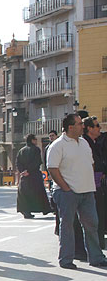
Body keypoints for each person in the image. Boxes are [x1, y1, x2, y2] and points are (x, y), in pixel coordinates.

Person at [47, 113, 107, 269]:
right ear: (71, 127)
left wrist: (88, 182)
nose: (83, 126)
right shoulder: (58, 145)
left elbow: (91, 164)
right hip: (68, 193)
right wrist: (66, 188)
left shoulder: (84, 143)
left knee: (92, 225)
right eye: (80, 124)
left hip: (87, 191)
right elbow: (52, 169)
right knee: (67, 226)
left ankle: (96, 257)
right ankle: (66, 259)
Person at [82, 115, 106, 250]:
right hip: (91, 186)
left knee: (99, 216)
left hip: (97, 184)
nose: (99, 128)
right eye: (96, 126)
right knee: (93, 219)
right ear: (89, 128)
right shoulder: (86, 143)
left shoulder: (95, 142)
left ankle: (99, 245)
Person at [16, 133, 51, 219]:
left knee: (24, 194)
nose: (36, 141)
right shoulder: (36, 149)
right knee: (38, 192)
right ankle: (45, 209)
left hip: (25, 177)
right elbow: (37, 162)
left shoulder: (21, 150)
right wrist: (29, 171)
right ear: (32, 140)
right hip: (34, 175)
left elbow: (18, 163)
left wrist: (23, 171)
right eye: (35, 139)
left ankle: (26, 211)